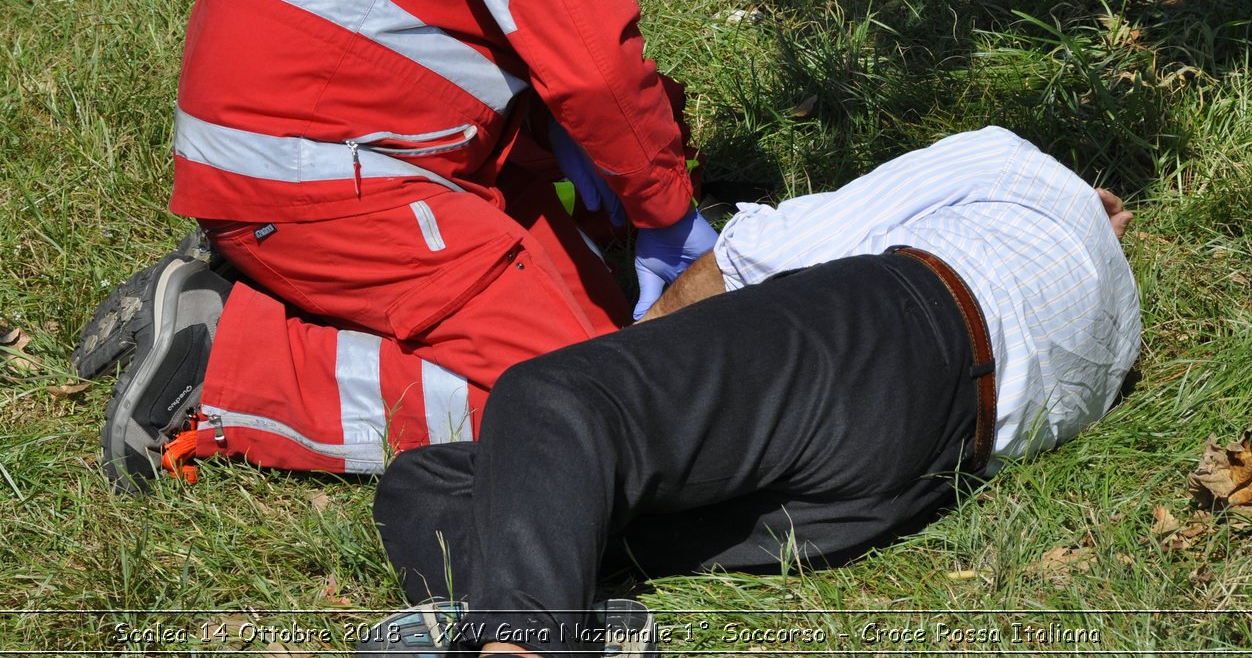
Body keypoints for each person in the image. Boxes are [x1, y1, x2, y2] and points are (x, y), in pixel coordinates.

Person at [73, 0, 731, 492]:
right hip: (316, 165)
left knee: (601, 323)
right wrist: (668, 213)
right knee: (587, 399)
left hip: (309, 137)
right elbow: (593, 63)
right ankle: (230, 369)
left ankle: (249, 291)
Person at [363, 126, 1142, 657]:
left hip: (896, 332)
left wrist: (633, 368)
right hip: (918, 473)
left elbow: (765, 250)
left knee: (549, 403)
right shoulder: (1115, 300)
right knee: (430, 485)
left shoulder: (1007, 158)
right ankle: (574, 620)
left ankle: (516, 641)